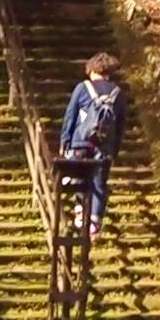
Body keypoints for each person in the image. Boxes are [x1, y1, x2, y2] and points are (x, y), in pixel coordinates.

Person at [54, 48, 130, 238]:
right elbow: (121, 124)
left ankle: (80, 209)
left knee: (78, 177)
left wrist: (65, 142)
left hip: (80, 143)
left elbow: (70, 117)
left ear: (91, 70)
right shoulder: (118, 94)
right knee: (99, 183)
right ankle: (94, 222)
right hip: (104, 146)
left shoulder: (82, 88)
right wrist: (115, 150)